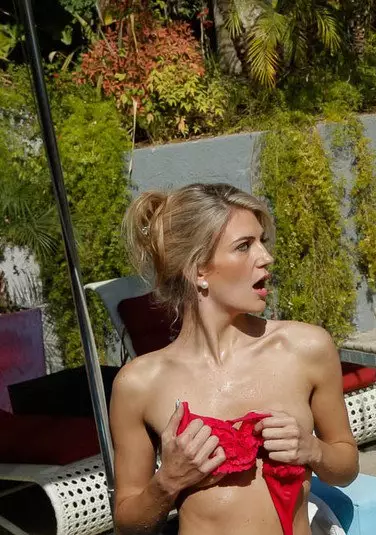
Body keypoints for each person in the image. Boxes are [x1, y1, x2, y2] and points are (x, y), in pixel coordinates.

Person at [109, 183, 359, 535]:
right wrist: (168, 482)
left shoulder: (305, 349)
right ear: (198, 270)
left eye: (262, 242)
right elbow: (128, 522)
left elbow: (346, 467)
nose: (266, 257)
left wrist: (313, 449)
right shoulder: (139, 384)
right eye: (244, 246)